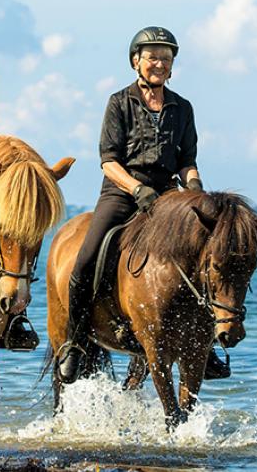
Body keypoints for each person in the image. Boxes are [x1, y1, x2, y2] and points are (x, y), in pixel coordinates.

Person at [56, 26, 229, 383]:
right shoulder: (119, 102)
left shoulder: (182, 108)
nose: (159, 64)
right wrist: (136, 189)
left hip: (167, 195)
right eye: (152, 57)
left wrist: (193, 187)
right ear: (136, 61)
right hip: (121, 191)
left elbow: (187, 159)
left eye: (166, 59)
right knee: (87, 258)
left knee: (202, 254)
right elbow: (108, 161)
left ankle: (204, 344)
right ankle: (74, 341)